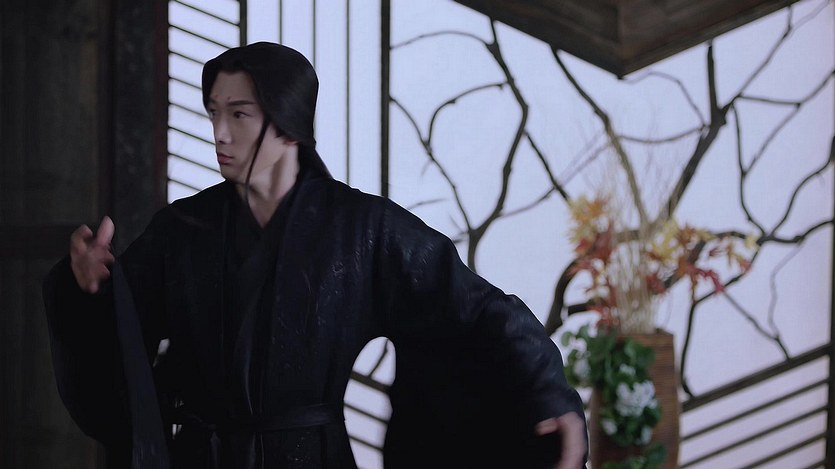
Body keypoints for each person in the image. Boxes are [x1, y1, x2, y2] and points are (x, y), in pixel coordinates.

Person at [43, 42, 588, 469]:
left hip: (312, 455)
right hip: (201, 455)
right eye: (214, 113)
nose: (220, 134)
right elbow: (122, 345)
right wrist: (89, 288)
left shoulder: (362, 228)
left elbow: (477, 309)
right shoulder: (180, 229)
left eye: (239, 115)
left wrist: (547, 393)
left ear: (288, 124)